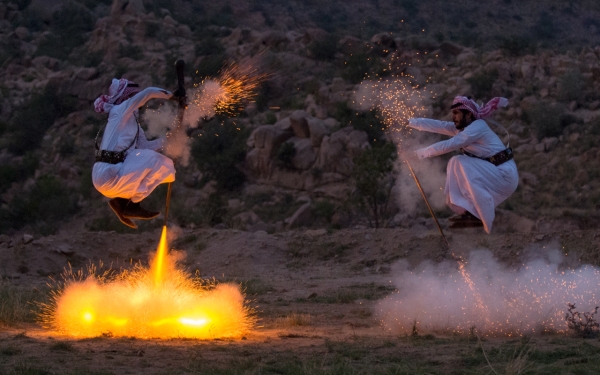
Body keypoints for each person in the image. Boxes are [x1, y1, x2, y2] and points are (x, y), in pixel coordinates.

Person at [407, 96, 518, 233]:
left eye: (456, 113)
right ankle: (469, 212)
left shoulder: (478, 127)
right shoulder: (463, 128)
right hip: (493, 173)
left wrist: (419, 154)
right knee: (455, 162)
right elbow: (438, 125)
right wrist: (409, 122)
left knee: (460, 162)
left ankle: (483, 219)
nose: (453, 117)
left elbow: (451, 144)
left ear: (469, 114)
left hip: (504, 175)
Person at [93, 78, 177, 229]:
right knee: (159, 162)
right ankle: (131, 203)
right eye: (133, 96)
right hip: (107, 172)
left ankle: (123, 202)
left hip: (112, 175)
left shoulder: (134, 125)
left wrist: (173, 138)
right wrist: (173, 96)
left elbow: (145, 147)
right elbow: (149, 92)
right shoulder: (119, 111)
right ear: (126, 97)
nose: (137, 102)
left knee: (166, 165)